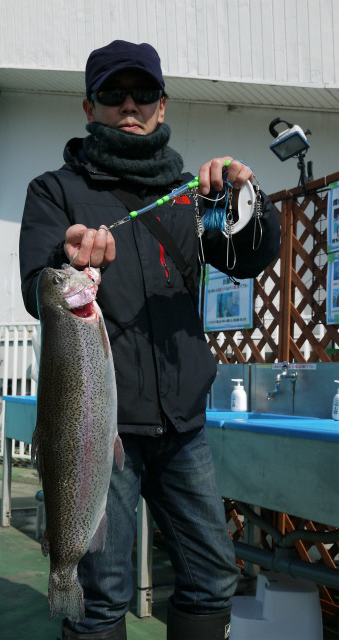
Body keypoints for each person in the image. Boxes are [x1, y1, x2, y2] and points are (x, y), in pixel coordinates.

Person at [19, 40, 280, 640]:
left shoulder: (191, 195)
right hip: (100, 425)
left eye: (142, 94)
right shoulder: (54, 191)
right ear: (90, 106)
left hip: (184, 424)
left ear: (163, 107)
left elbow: (243, 257)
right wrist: (68, 255)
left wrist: (245, 202)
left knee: (213, 576)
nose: (128, 105)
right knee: (102, 593)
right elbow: (39, 286)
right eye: (113, 94)